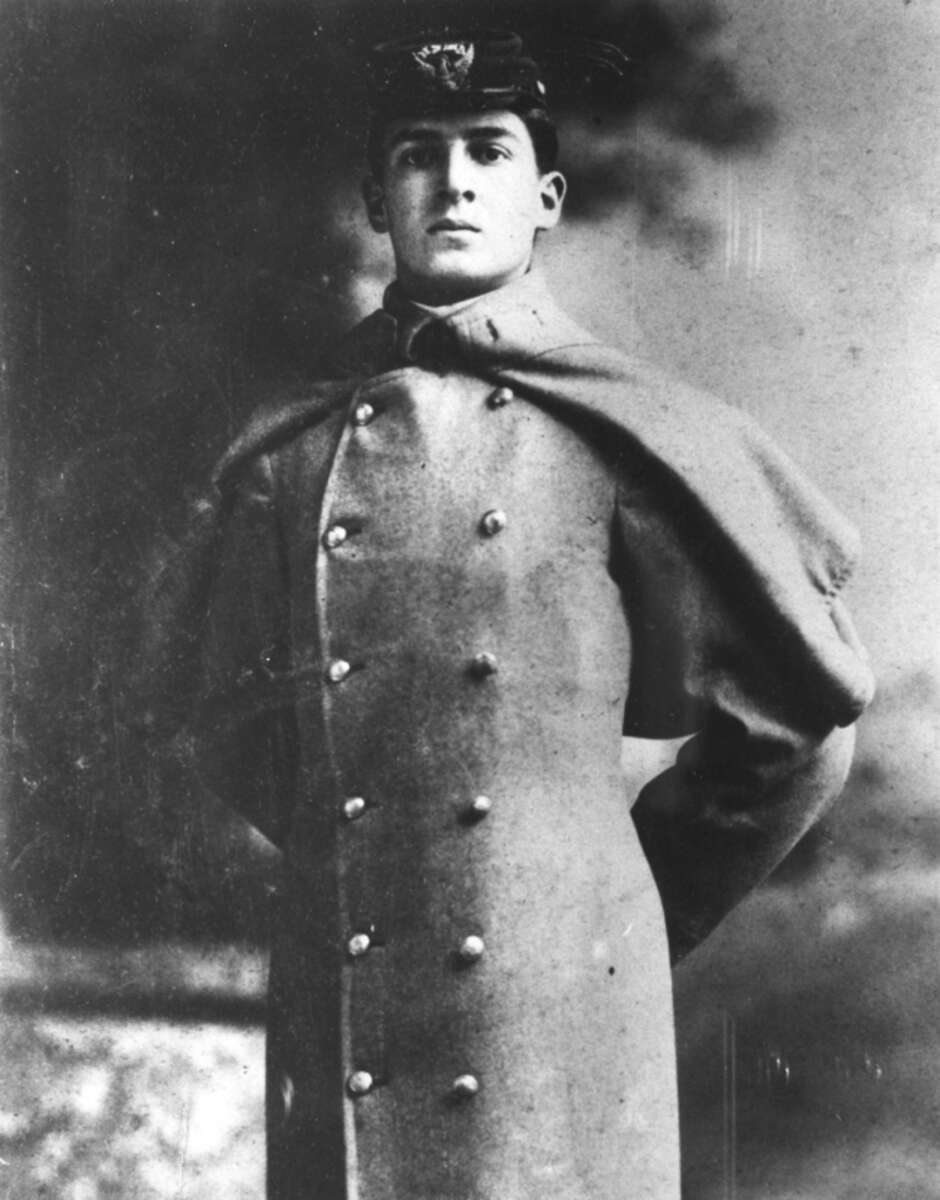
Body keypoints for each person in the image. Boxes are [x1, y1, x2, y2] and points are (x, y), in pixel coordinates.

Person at [140, 29, 874, 1200]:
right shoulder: (291, 450)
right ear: (376, 200)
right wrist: (364, 857)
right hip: (351, 988)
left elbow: (798, 731)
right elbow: (223, 721)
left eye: (486, 150)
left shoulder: (630, 432)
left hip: (555, 1007)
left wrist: (607, 900)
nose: (453, 180)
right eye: (417, 156)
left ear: (543, 201)